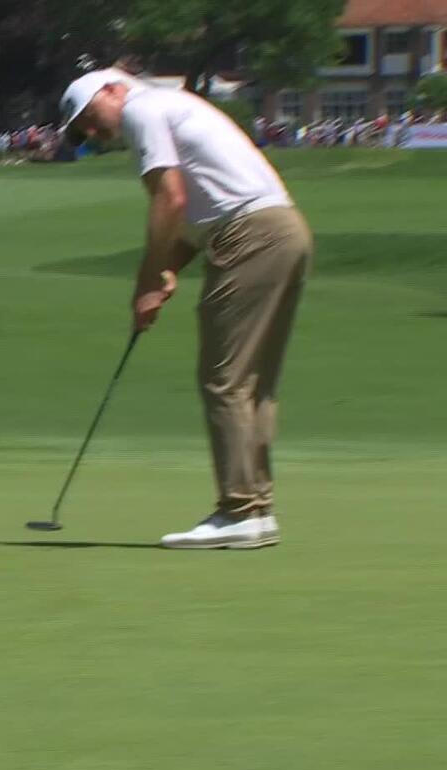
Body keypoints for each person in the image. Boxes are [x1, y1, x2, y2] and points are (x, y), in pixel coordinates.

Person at [61, 69, 311, 550]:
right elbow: (200, 210)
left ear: (110, 91)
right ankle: (255, 510)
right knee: (252, 381)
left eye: (89, 120)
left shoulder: (141, 108)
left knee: (224, 378)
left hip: (250, 237)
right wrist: (171, 266)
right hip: (284, 230)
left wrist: (146, 281)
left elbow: (170, 199)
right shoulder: (174, 108)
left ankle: (237, 510)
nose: (93, 134)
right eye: (83, 132)